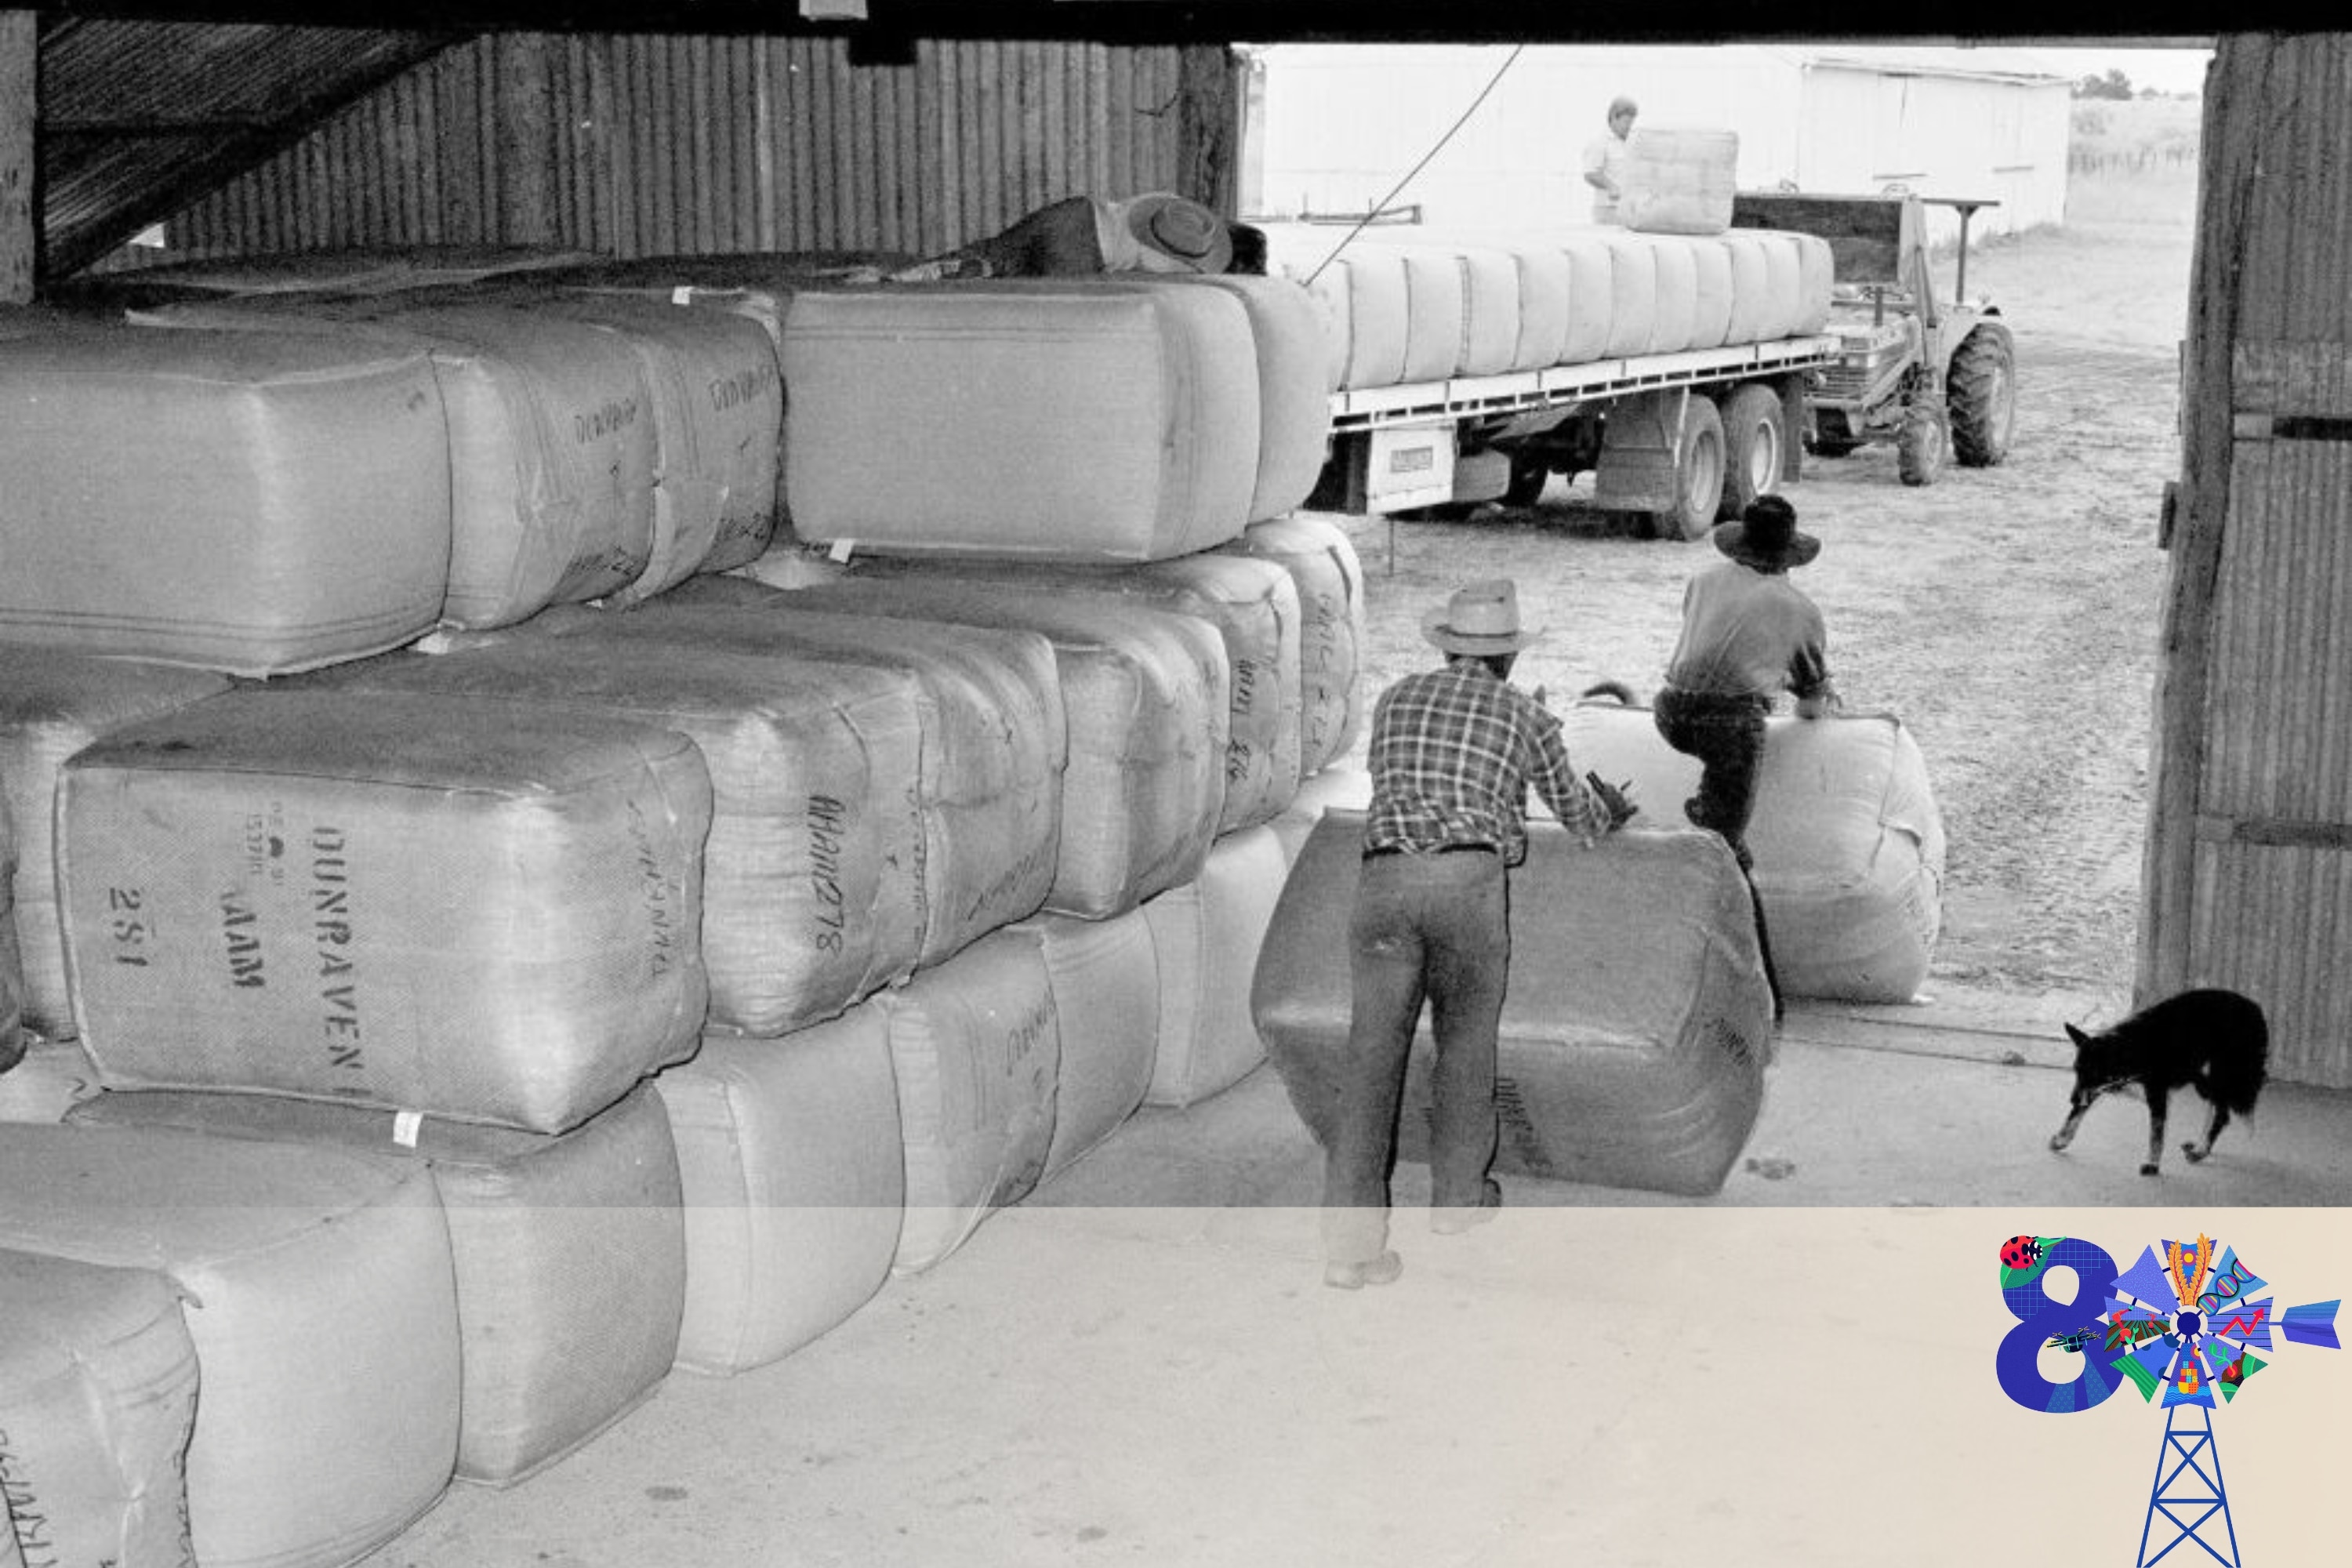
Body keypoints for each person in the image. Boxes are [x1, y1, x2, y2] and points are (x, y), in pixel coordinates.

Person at [1322, 580, 1635, 1290]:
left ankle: (1348, 1251)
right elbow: (1581, 821)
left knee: (1370, 1063)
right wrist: (1607, 810)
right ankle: (1459, 1204)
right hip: (1467, 888)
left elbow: (1389, 783)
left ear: (1448, 646)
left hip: (1384, 882)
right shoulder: (1527, 716)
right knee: (1465, 1046)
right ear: (1509, 658)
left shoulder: (1397, 697)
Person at [1652, 495, 1840, 1022]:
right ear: (1788, 556)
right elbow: (1810, 703)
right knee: (1730, 854)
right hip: (1729, 725)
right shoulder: (1800, 611)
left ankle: (1707, 811)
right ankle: (1766, 995)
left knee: (1717, 810)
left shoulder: (1704, 581)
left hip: (1670, 713)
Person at [873, 191, 1263, 282]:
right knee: (997, 284)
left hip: (1078, 212)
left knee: (989, 255)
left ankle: (891, 280)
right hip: (1084, 253)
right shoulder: (1188, 262)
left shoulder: (1178, 209)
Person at [1581, 96, 1639, 224]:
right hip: (1608, 210)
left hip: (1627, 208)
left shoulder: (1630, 143)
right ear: (1613, 118)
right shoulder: (1600, 143)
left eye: (1632, 123)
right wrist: (1611, 186)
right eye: (1626, 123)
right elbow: (1590, 173)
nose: (1630, 127)